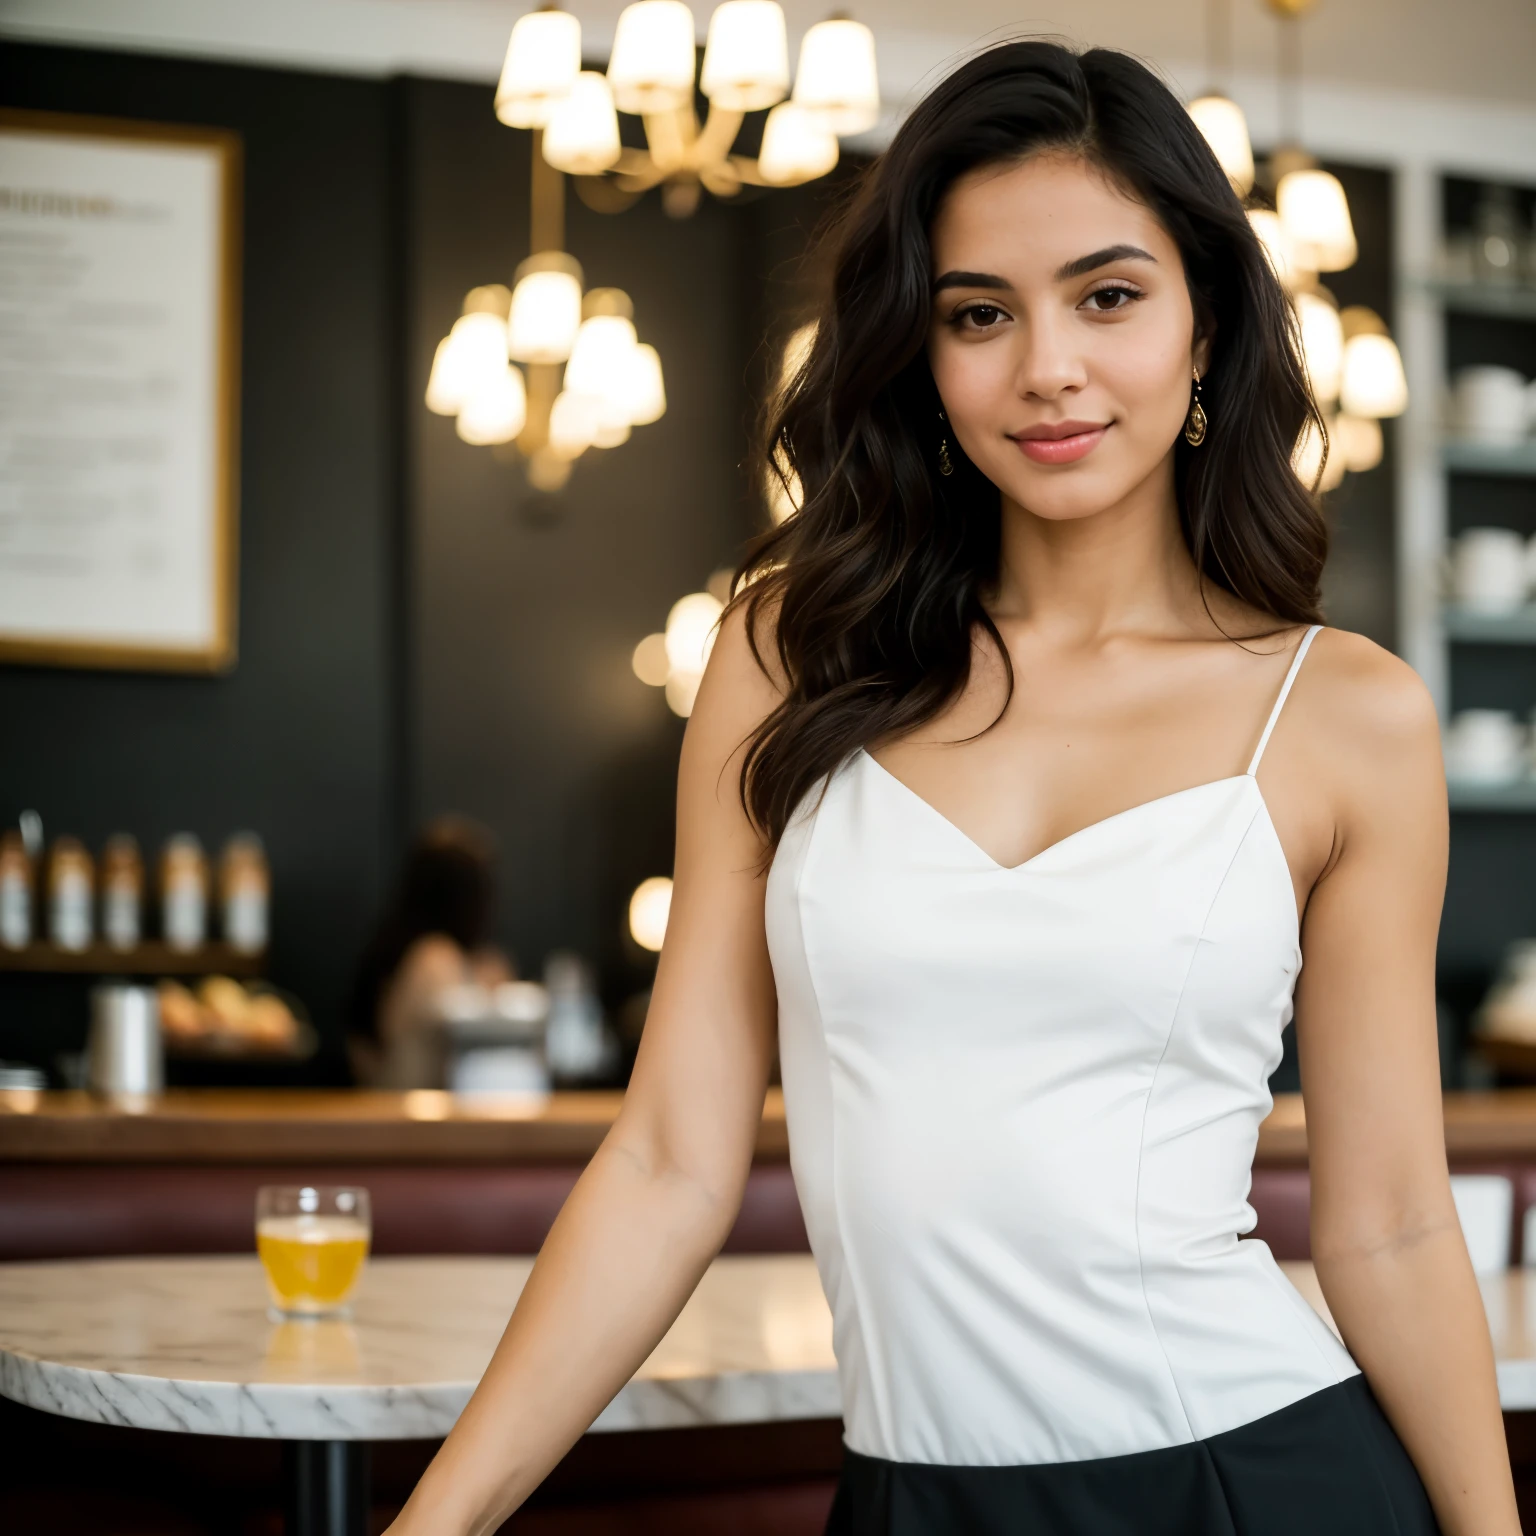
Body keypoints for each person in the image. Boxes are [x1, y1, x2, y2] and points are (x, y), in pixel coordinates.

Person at [385, 41, 1518, 1535]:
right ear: (920, 355)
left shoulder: (1345, 714)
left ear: (1204, 326)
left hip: (1252, 1479)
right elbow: (668, 1160)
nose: (1046, 365)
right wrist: (436, 1523)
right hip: (914, 1498)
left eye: (1108, 297)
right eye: (979, 313)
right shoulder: (786, 655)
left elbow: (1387, 1222)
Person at [348, 816, 512, 1088]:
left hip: (392, 1110)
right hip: (412, 1119)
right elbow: (480, 1047)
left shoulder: (399, 949)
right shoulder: (434, 957)